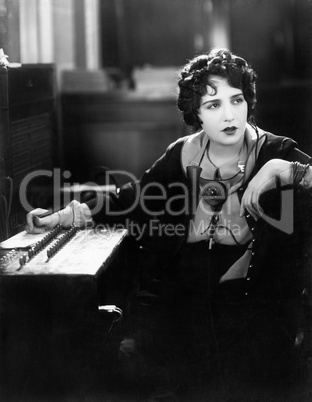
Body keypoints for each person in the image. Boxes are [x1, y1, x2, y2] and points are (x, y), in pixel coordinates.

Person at [26, 48, 312, 399]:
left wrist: (285, 170)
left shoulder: (276, 152)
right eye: (213, 105)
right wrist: (61, 216)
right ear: (196, 114)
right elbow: (128, 199)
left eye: (236, 100)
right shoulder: (183, 153)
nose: (229, 115)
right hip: (181, 296)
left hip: (251, 303)